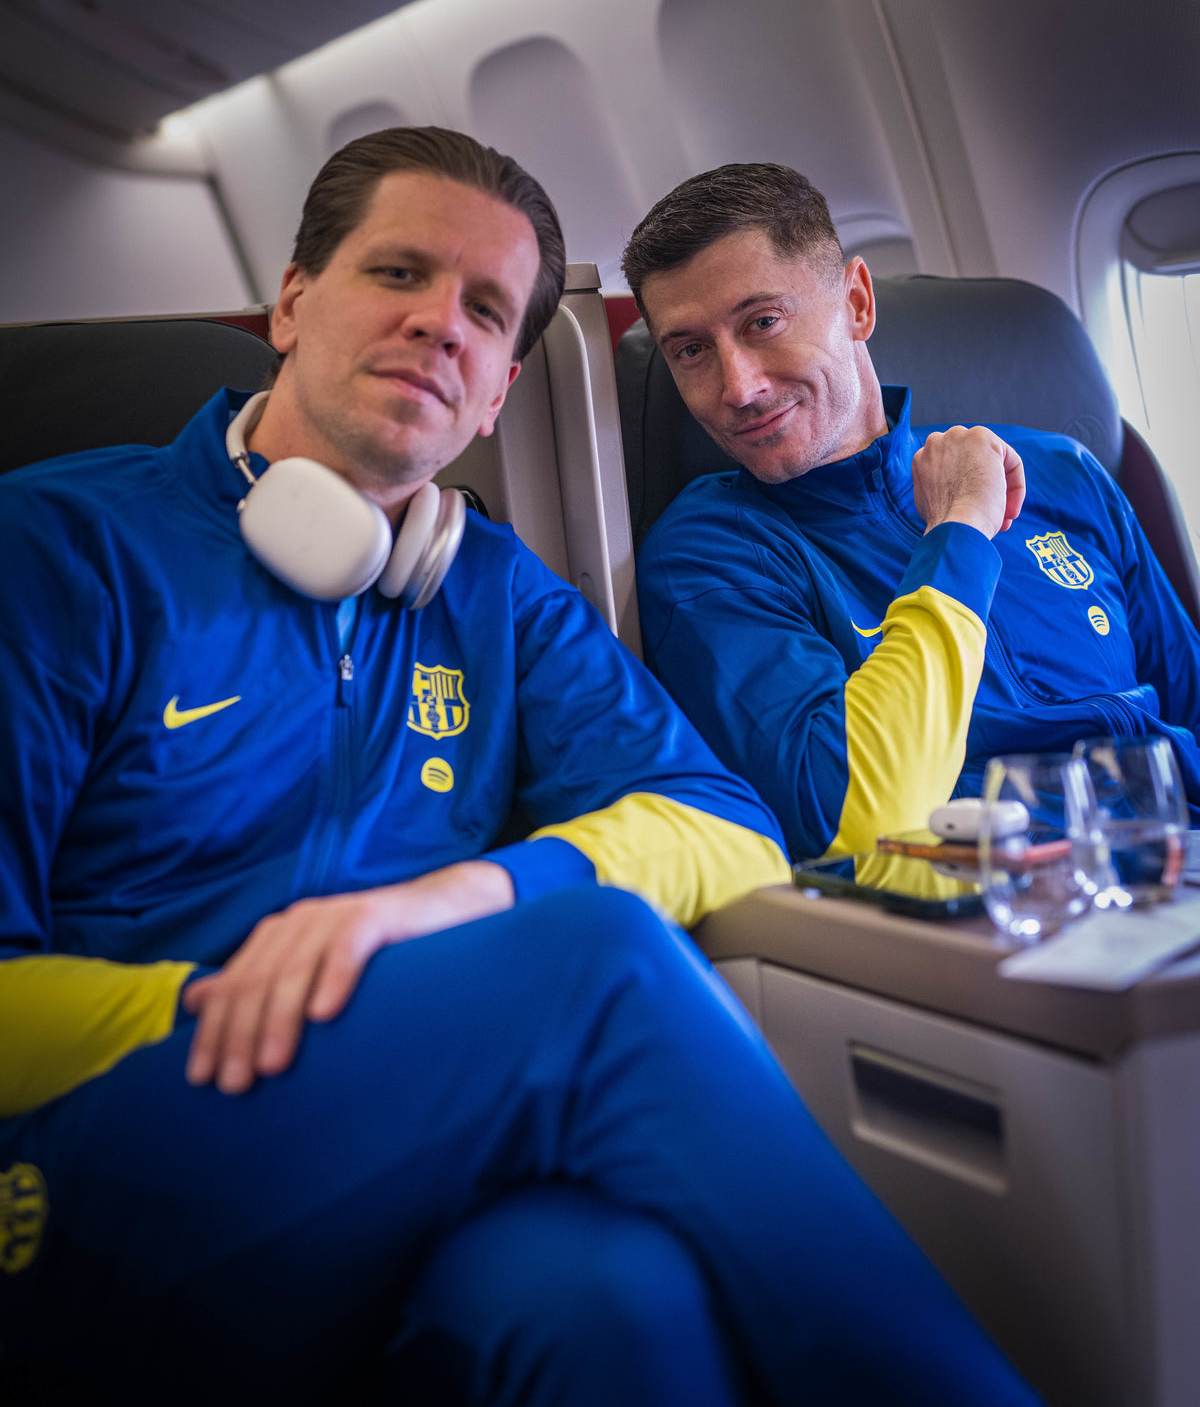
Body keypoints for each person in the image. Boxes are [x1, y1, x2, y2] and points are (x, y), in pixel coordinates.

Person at [0, 129, 1039, 1407]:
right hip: (76, 1165)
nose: (442, 325)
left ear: (497, 393)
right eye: (399, 274)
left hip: (387, 1149)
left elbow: (727, 827)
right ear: (291, 302)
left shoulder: (488, 592)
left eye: (487, 311)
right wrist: (277, 1004)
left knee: (609, 1298)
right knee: (592, 960)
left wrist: (457, 902)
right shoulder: (54, 546)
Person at [624, 162, 1200, 863]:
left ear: (858, 304)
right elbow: (832, 810)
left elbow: (1188, 705)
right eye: (691, 351)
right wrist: (959, 531)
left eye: (764, 322)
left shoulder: (1061, 473)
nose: (738, 387)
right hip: (1006, 905)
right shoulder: (710, 556)